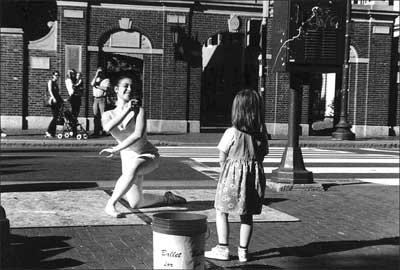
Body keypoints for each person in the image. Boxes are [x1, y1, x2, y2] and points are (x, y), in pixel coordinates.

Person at [99, 75, 186, 218]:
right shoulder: (108, 114)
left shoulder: (139, 111)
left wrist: (115, 149)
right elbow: (108, 127)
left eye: (132, 86)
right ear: (116, 89)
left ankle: (111, 204)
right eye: (125, 86)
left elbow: (137, 135)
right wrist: (126, 111)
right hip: (127, 156)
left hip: (147, 154)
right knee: (136, 202)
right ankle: (167, 198)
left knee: (134, 167)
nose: (129, 89)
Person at [205, 89, 269, 263]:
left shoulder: (231, 132)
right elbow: (262, 155)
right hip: (253, 178)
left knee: (221, 210)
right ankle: (243, 251)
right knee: (246, 214)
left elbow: (222, 156)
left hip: (232, 177)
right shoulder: (262, 134)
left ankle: (223, 248)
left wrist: (228, 169)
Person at [91, 67, 110, 136]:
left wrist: (97, 86)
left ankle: (104, 131)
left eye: (101, 72)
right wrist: (96, 75)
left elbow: (106, 88)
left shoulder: (106, 80)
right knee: (95, 115)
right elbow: (92, 84)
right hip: (95, 99)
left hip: (102, 99)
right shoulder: (96, 79)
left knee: (103, 116)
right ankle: (96, 131)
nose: (100, 74)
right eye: (99, 72)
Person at [45, 71, 63, 138]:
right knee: (55, 117)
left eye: (58, 75)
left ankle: (53, 132)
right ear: (53, 75)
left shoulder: (56, 83)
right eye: (56, 75)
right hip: (53, 101)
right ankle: (48, 131)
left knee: (56, 117)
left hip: (57, 101)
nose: (57, 76)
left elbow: (57, 93)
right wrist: (53, 98)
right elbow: (50, 90)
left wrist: (61, 100)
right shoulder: (50, 82)